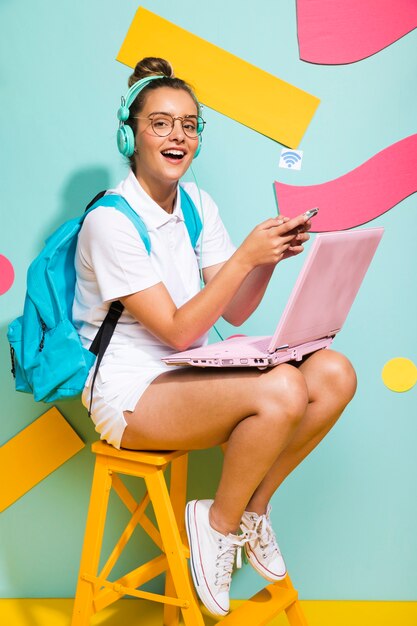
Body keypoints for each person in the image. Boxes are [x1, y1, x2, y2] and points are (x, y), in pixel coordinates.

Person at [73, 57, 357, 618]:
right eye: (160, 122)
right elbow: (180, 331)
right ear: (129, 135)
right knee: (279, 389)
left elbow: (238, 304)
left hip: (189, 373)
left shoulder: (198, 206)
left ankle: (250, 508)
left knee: (333, 373)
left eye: (190, 124)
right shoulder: (110, 222)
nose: (178, 135)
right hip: (129, 393)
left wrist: (268, 259)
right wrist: (244, 256)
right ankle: (216, 523)